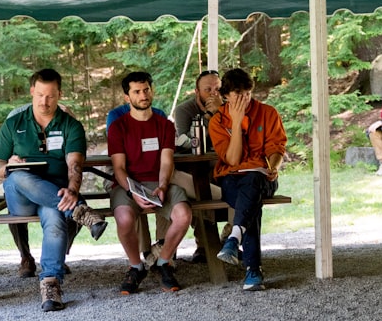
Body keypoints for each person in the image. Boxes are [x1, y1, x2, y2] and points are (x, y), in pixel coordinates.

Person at [0, 68, 105, 312]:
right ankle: (81, 212)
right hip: (20, 195)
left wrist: (73, 189)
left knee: (55, 216)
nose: (45, 101)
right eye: (40, 95)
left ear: (59, 94)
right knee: (18, 176)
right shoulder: (14, 123)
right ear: (32, 92)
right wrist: (7, 166)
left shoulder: (70, 125)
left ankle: (51, 284)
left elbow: (74, 164)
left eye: (51, 96)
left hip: (56, 194)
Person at [108, 72, 192, 294]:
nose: (143, 95)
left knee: (184, 215)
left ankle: (164, 262)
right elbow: (119, 168)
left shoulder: (165, 125)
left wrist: (163, 186)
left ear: (151, 90)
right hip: (128, 185)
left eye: (146, 90)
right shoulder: (118, 127)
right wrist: (133, 192)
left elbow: (167, 161)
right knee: (125, 219)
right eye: (136, 92)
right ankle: (136, 266)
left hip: (159, 184)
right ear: (127, 97)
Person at [208, 68, 287, 291]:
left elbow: (277, 147)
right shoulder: (218, 121)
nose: (244, 99)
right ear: (226, 96)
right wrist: (236, 122)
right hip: (232, 177)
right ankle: (251, 268)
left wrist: (273, 166)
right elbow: (232, 159)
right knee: (250, 202)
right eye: (237, 94)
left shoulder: (268, 113)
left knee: (253, 184)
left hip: (263, 177)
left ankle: (236, 240)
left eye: (247, 93)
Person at [172, 69, 224, 263]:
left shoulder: (230, 107)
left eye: (218, 88)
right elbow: (186, 142)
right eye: (208, 89)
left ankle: (230, 239)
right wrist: (210, 115)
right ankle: (204, 245)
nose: (213, 93)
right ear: (197, 92)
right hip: (195, 167)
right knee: (198, 185)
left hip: (224, 165)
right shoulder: (185, 110)